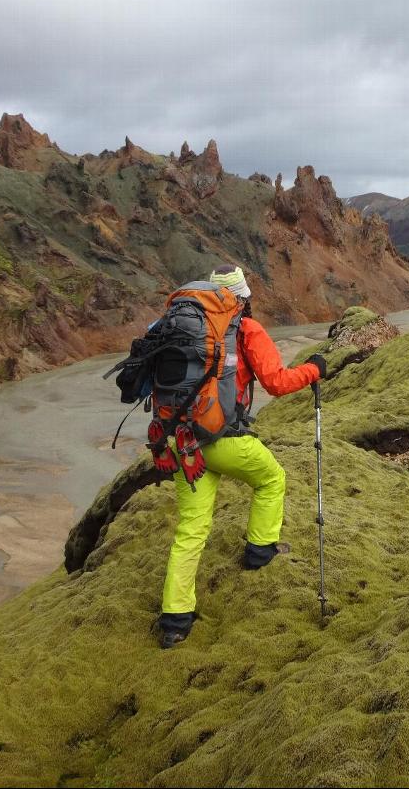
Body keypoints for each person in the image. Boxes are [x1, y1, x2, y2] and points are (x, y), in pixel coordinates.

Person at [156, 264, 326, 648]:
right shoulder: (246, 329)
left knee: (191, 529)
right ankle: (259, 550)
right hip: (224, 440)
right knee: (271, 479)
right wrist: (314, 369)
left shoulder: (182, 329)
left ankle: (175, 620)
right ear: (244, 298)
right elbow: (278, 383)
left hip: (183, 442)